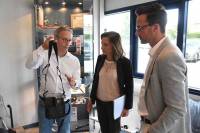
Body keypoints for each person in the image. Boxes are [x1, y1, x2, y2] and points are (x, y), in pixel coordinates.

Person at [136, 3, 192, 133]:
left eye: (140, 28)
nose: (136, 32)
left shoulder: (169, 55)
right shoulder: (158, 51)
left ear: (155, 27)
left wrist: (152, 130)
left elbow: (177, 108)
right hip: (148, 124)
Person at [26, 26, 81, 133]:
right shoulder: (44, 55)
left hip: (65, 103)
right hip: (45, 103)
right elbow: (29, 65)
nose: (68, 43)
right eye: (64, 39)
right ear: (56, 38)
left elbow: (77, 84)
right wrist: (42, 47)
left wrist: (74, 83)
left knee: (65, 131)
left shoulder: (74, 61)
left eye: (69, 40)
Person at [87, 31, 133, 133]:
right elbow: (96, 80)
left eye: (105, 45)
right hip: (100, 102)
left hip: (115, 104)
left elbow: (129, 86)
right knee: (104, 129)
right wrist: (92, 99)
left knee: (114, 130)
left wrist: (127, 107)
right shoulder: (100, 58)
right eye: (102, 44)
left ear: (114, 45)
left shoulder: (125, 63)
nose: (102, 47)